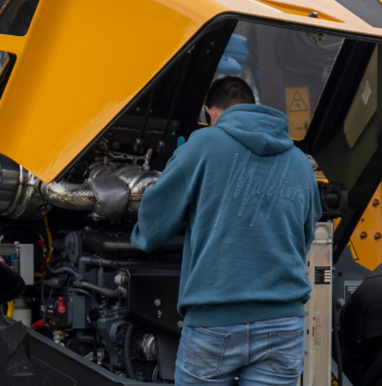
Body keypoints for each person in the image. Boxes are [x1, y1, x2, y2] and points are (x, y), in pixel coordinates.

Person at [132, 76, 320, 385]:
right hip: (284, 325)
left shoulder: (204, 144)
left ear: (211, 114)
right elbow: (306, 236)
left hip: (215, 323)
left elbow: (154, 224)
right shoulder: (300, 163)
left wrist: (138, 238)